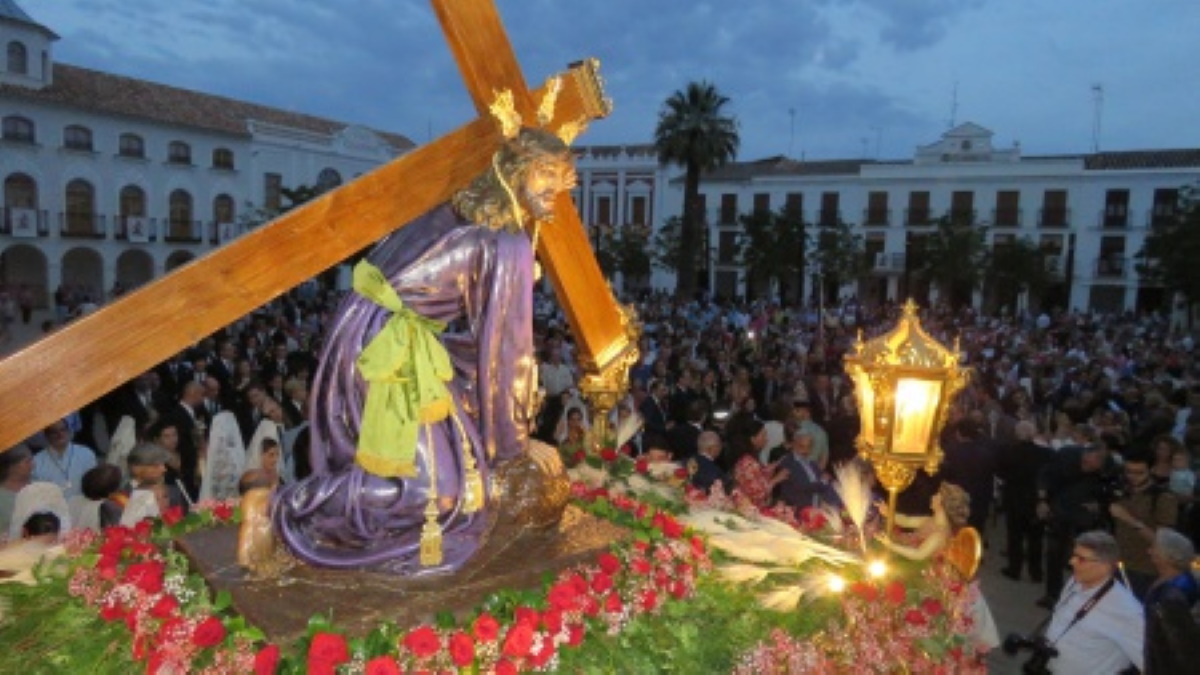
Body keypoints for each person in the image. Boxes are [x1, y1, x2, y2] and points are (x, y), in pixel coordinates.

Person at [272, 127, 576, 574]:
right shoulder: (505, 240)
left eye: (565, 176)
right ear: (512, 170)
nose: (558, 187)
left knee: (429, 461)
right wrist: (516, 443)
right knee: (435, 493)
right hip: (388, 348)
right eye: (545, 172)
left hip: (366, 331)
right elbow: (507, 353)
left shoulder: (457, 208)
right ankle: (280, 507)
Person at [1042, 531, 1144, 674]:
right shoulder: (1075, 581)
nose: (1072, 562)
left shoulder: (1128, 611)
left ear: (1105, 566)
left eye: (1081, 559)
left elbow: (1150, 662)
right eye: (1073, 555)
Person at [1108, 450, 1178, 600]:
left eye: (1139, 472)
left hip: (1145, 569)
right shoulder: (1122, 490)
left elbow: (1163, 541)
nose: (1132, 476)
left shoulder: (1162, 497)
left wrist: (1129, 519)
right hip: (1119, 562)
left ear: (1151, 470)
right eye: (1128, 471)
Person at [1143, 528, 1200, 673]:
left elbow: (1181, 650)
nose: (1149, 551)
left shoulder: (1172, 597)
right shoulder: (1169, 583)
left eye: (1154, 548)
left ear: (1168, 556)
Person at [877, 482, 971, 561]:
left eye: (936, 496)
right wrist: (888, 513)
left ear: (942, 505)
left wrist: (891, 545)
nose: (932, 497)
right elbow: (907, 521)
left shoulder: (939, 535)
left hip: (917, 564)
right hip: (907, 549)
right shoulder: (929, 520)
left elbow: (918, 555)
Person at [727, 419, 788, 509]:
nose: (766, 438)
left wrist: (775, 465)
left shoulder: (749, 458)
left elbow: (758, 473)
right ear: (753, 439)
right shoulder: (748, 462)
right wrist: (776, 479)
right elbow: (757, 493)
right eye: (763, 435)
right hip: (750, 509)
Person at [31, 419, 97, 500]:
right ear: (47, 435)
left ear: (69, 432)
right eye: (54, 432)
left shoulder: (86, 454)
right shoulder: (37, 461)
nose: (60, 435)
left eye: (63, 430)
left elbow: (94, 484)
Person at [0, 445, 34, 540]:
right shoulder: (2, 496)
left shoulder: (37, 485)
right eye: (28, 461)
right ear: (12, 466)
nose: (33, 465)